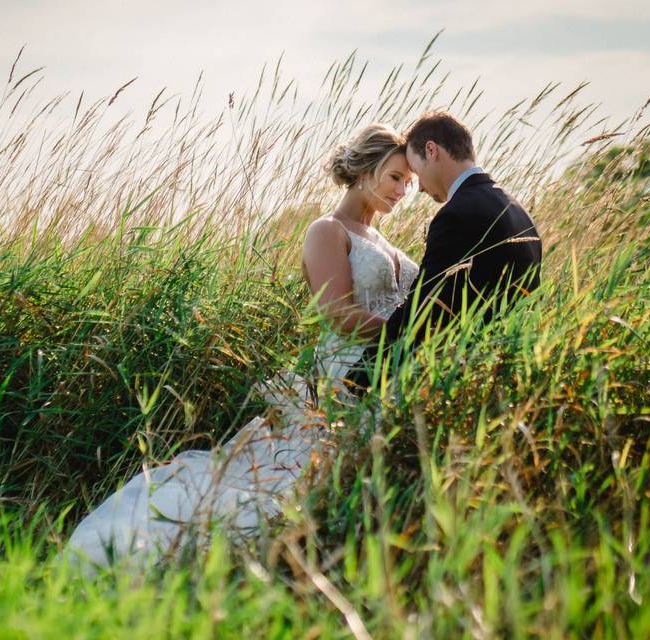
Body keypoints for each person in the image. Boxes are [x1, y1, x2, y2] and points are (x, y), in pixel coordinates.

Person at [65, 123, 419, 571]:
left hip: (387, 375)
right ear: (366, 169)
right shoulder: (327, 230)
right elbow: (336, 314)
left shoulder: (384, 241)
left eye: (409, 182)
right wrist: (410, 334)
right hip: (343, 377)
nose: (404, 190)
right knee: (296, 481)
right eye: (394, 177)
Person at [350, 112, 542, 389]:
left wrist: (356, 382)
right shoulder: (520, 213)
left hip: (465, 378)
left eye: (416, 173)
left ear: (431, 150)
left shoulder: (457, 214)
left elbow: (423, 309)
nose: (420, 189)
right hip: (504, 371)